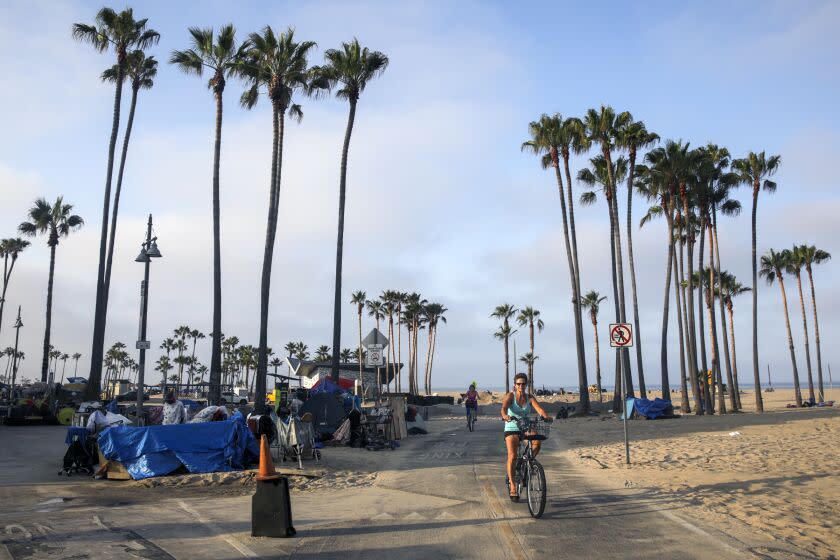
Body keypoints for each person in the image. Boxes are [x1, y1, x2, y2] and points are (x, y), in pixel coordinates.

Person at [501, 372, 550, 501]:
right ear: (515, 385)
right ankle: (512, 486)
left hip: (525, 427)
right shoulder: (510, 396)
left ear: (526, 385)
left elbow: (540, 409)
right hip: (511, 426)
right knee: (512, 455)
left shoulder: (530, 397)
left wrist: (546, 416)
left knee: (537, 443)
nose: (521, 386)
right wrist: (505, 416)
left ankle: (526, 462)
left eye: (523, 384)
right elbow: (504, 408)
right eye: (518, 384)